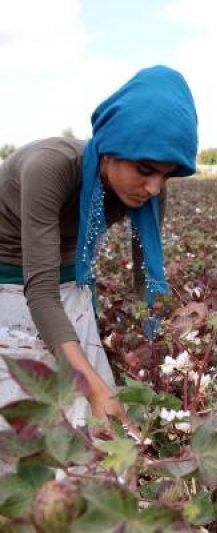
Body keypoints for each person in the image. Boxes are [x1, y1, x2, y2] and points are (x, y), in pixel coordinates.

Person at [0, 66, 198, 438]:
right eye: (145, 169)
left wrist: (174, 324)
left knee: (93, 424)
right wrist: (93, 387)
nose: (154, 188)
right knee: (24, 423)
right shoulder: (50, 167)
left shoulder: (149, 190)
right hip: (10, 281)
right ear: (109, 150)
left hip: (68, 279)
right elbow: (40, 293)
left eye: (166, 175)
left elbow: (147, 280)